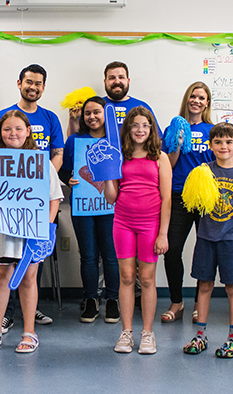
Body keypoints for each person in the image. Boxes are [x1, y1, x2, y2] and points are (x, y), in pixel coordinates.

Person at [0, 110, 63, 353]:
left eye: (18, 129)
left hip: (31, 231)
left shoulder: (39, 160)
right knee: (0, 278)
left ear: (28, 132)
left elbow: (55, 197)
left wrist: (45, 228)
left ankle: (29, 332)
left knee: (28, 278)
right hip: (0, 230)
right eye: (7, 129)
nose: (13, 133)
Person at [0, 64, 63, 328]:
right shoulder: (3, 117)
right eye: (29, 82)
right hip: (8, 205)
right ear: (19, 83)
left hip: (38, 204)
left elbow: (58, 154)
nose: (33, 87)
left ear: (43, 87)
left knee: (32, 262)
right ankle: (7, 313)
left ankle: (31, 311)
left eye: (38, 83)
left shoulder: (51, 118)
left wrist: (40, 183)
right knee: (6, 261)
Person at [183, 122, 233, 359]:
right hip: (206, 237)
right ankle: (200, 335)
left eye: (228, 142)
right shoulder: (203, 170)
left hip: (232, 239)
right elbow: (193, 202)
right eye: (218, 142)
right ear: (210, 145)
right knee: (204, 286)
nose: (223, 146)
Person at [103, 107, 171, 354]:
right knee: (127, 278)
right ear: (128, 129)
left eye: (145, 125)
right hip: (123, 222)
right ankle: (126, 332)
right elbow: (111, 198)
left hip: (150, 225)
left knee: (146, 279)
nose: (140, 130)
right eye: (135, 125)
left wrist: (163, 233)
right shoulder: (120, 155)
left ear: (151, 129)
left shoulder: (160, 158)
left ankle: (148, 333)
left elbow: (166, 199)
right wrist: (109, 175)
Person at [59, 96, 120, 324]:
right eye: (88, 113)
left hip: (111, 207)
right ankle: (91, 299)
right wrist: (70, 179)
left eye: (97, 112)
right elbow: (63, 170)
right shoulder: (74, 141)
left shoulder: (116, 141)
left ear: (106, 115)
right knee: (88, 256)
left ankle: (112, 300)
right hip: (82, 206)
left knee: (111, 256)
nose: (92, 116)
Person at [161, 82, 214, 324]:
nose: (196, 101)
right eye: (193, 96)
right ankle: (176, 301)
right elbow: (168, 165)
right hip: (178, 196)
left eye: (201, 97)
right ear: (187, 99)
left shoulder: (213, 131)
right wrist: (178, 145)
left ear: (207, 102)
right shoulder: (173, 127)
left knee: (204, 252)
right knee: (171, 251)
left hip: (205, 199)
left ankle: (199, 304)